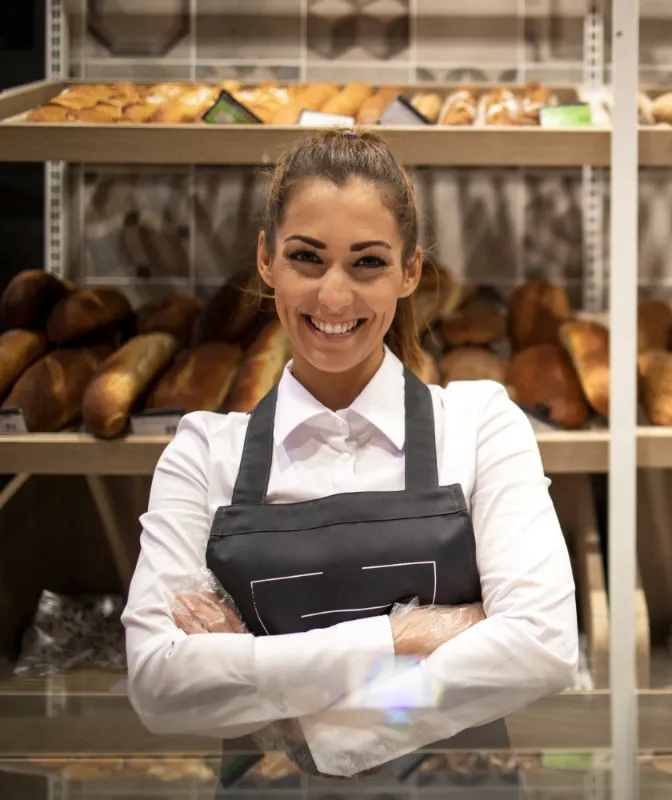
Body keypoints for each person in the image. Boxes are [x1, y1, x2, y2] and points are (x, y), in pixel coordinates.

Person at [121, 129, 579, 797]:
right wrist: (402, 637)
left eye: (367, 263)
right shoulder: (202, 453)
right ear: (267, 261)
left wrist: (313, 727)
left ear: (410, 271)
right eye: (306, 258)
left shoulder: (481, 425)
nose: (334, 297)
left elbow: (542, 646)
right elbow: (159, 684)